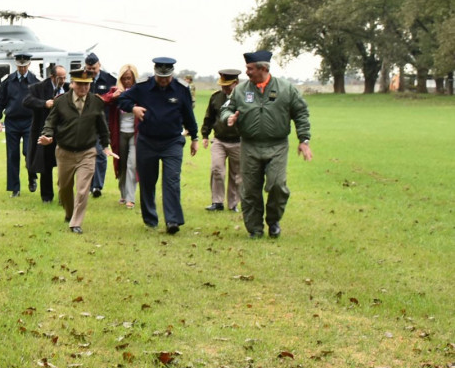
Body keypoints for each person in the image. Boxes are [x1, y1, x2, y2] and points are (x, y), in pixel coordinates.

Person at [221, 51, 312, 238]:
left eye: (250, 68)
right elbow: (227, 108)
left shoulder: (286, 89)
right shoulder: (240, 90)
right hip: (249, 146)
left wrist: (304, 140)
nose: (246, 72)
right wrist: (228, 117)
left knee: (278, 185)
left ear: (263, 69)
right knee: (250, 190)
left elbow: (301, 113)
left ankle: (273, 220)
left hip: (277, 146)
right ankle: (254, 229)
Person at [117, 57, 198, 234]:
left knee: (171, 180)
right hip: (147, 141)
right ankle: (150, 218)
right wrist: (133, 108)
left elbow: (188, 115)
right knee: (147, 181)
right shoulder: (143, 87)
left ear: (172, 74)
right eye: (160, 77)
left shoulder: (181, 89)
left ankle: (173, 221)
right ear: (155, 73)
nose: (163, 80)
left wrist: (195, 138)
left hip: (172, 142)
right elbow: (122, 99)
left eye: (167, 77)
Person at [38, 69, 115, 234]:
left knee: (82, 188)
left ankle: (75, 222)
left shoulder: (96, 102)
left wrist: (106, 146)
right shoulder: (60, 101)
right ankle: (69, 213)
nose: (83, 88)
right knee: (64, 188)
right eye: (80, 84)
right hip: (64, 152)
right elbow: (50, 122)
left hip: (87, 152)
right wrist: (47, 136)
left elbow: (102, 127)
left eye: (87, 84)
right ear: (72, 84)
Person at [0, 53, 39, 197]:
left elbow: (40, 102)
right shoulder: (8, 81)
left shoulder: (35, 82)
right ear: (16, 65)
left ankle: (32, 176)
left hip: (29, 122)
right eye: (20, 66)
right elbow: (0, 102)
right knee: (12, 155)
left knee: (28, 152)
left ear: (29, 65)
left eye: (24, 67)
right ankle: (15, 188)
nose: (22, 69)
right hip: (12, 122)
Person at [22, 64, 67, 204]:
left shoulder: (69, 88)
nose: (63, 80)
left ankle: (63, 196)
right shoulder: (38, 87)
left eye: (65, 77)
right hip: (44, 130)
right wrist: (44, 103)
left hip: (63, 132)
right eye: (60, 78)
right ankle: (47, 197)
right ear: (52, 77)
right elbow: (26, 101)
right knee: (46, 165)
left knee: (65, 166)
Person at [200, 69, 242, 212]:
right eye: (222, 85)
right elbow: (209, 118)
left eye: (227, 86)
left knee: (236, 174)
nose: (224, 89)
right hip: (219, 140)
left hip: (238, 141)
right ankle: (217, 202)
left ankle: (233, 204)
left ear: (236, 83)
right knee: (217, 169)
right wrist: (205, 135)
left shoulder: (244, 98)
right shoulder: (216, 97)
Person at [101, 64, 140, 209]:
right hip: (119, 133)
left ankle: (131, 198)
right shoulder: (115, 91)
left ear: (134, 78)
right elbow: (101, 100)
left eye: (129, 78)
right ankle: (123, 194)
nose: (126, 81)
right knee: (121, 164)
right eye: (123, 79)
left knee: (132, 164)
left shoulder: (140, 92)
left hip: (136, 133)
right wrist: (113, 96)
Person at [84, 53, 117, 198]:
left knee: (100, 152)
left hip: (103, 122)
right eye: (89, 68)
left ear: (99, 65)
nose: (91, 71)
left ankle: (97, 186)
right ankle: (89, 185)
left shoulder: (110, 79)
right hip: (85, 122)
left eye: (94, 68)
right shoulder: (82, 78)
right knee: (87, 154)